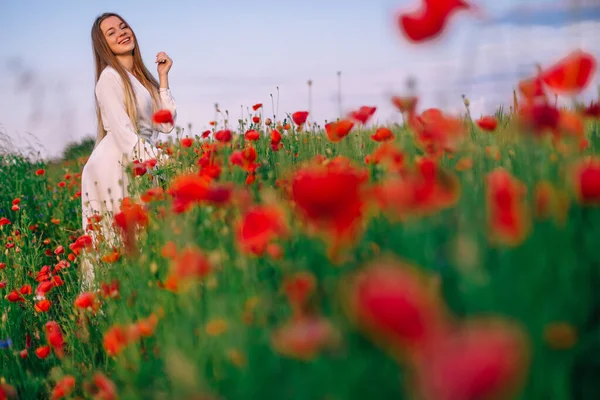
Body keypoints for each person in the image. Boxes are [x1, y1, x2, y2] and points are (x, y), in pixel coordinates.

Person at [80, 12, 177, 290]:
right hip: (115, 164)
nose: (121, 32)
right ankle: (105, 315)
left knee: (140, 239)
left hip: (138, 158)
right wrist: (166, 164)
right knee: (114, 242)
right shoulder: (109, 79)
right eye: (111, 32)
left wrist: (162, 78)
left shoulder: (141, 79)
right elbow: (124, 135)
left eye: (123, 26)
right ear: (103, 46)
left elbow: (167, 124)